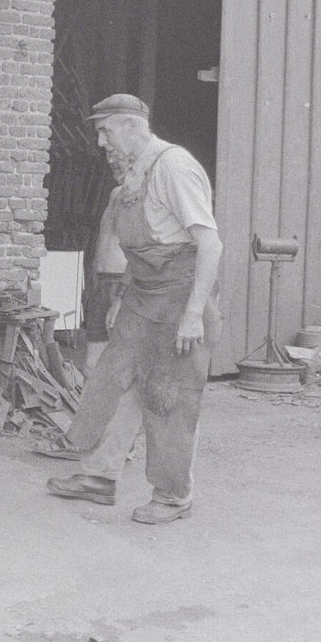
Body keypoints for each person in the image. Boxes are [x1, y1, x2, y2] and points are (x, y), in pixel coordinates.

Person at [45, 94, 223, 524]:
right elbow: (142, 247)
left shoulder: (174, 167)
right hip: (143, 296)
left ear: (130, 126)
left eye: (106, 131)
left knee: (169, 397)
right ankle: (99, 477)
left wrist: (194, 313)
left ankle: (173, 496)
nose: (101, 141)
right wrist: (122, 297)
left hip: (181, 297)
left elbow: (210, 245)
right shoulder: (132, 175)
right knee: (114, 381)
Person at [34, 153, 130, 459]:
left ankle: (104, 441)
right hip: (103, 284)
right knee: (92, 367)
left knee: (115, 371)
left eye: (123, 159)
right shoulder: (117, 193)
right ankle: (94, 437)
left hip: (116, 284)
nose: (115, 163)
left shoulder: (134, 195)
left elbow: (138, 249)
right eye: (112, 159)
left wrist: (121, 295)